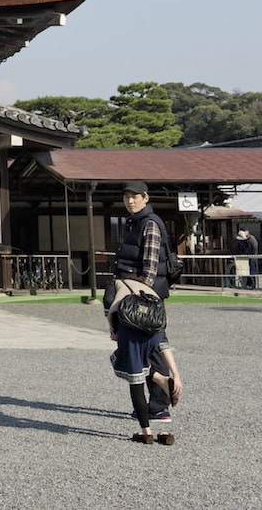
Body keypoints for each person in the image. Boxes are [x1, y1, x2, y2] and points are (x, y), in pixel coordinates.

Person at [106, 181, 177, 444]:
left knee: (143, 349)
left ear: (146, 198)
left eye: (135, 196)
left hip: (142, 296)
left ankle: (157, 405)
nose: (130, 201)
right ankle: (157, 396)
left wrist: (139, 298)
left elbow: (149, 264)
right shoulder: (136, 221)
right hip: (137, 293)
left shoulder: (148, 223)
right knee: (150, 347)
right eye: (126, 197)